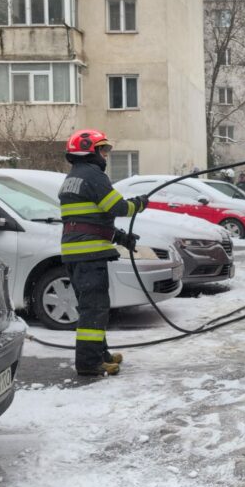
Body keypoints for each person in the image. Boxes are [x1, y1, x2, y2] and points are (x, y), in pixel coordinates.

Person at [59, 129, 149, 377]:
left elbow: (88, 220)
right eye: (103, 150)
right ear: (90, 151)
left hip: (77, 255)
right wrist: (139, 203)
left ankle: (100, 354)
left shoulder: (73, 177)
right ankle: (89, 363)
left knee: (92, 308)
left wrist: (120, 238)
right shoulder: (93, 175)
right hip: (89, 256)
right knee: (94, 309)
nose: (105, 156)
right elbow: (117, 207)